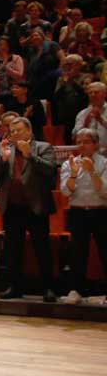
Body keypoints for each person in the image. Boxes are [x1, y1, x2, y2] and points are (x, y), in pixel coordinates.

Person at [0, 117, 58, 301]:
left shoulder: (43, 147)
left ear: (29, 131)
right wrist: (2, 160)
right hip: (13, 207)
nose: (15, 134)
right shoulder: (7, 149)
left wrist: (30, 155)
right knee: (13, 250)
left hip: (35, 206)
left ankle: (48, 288)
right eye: (12, 131)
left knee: (42, 249)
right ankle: (15, 287)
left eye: (19, 130)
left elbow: (50, 171)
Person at [59, 129, 107, 304]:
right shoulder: (69, 164)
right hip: (78, 212)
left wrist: (93, 172)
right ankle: (76, 290)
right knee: (77, 253)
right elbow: (65, 191)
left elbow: (105, 192)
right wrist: (73, 174)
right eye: (79, 141)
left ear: (95, 144)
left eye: (87, 141)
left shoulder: (104, 163)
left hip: (101, 211)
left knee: (105, 251)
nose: (82, 145)